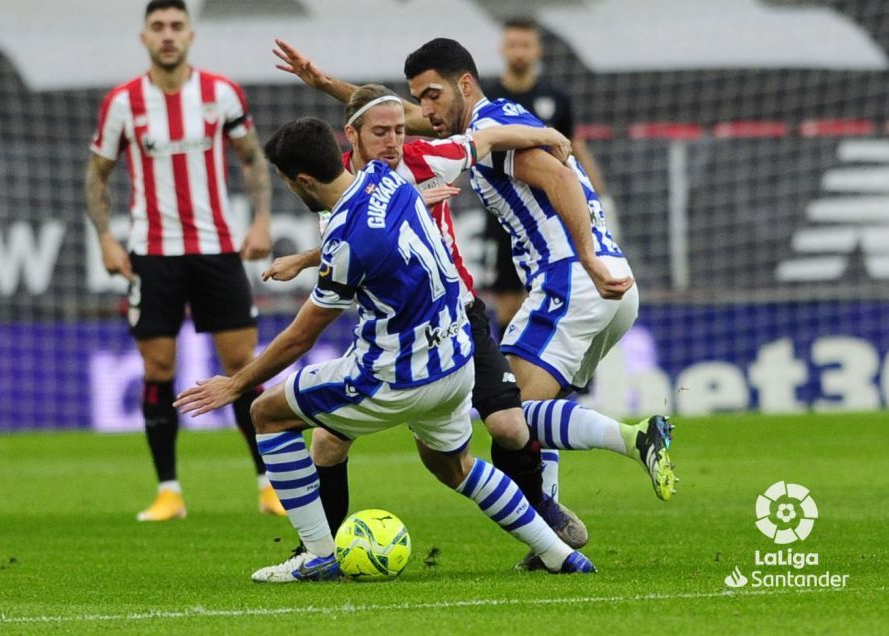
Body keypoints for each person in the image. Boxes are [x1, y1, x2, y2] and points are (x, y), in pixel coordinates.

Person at [174, 116, 596, 581]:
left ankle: (316, 554)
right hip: (456, 363)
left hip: (396, 375)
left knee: (267, 414)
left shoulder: (346, 240)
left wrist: (236, 383)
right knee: (454, 465)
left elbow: (301, 335)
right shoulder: (386, 178)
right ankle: (559, 553)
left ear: (303, 181)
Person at [260, 78, 588, 553]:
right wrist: (308, 258)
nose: (395, 141)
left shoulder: (422, 162)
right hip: (392, 333)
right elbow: (356, 247)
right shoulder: (341, 190)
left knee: (509, 428)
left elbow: (489, 137)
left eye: (399, 130)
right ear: (351, 137)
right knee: (329, 445)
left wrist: (546, 135)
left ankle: (543, 509)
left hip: (459, 317)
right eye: (382, 132)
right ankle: (319, 548)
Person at [401, 41, 676, 530]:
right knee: (534, 414)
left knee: (510, 412)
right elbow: (400, 119)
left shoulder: (490, 133)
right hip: (613, 286)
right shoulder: (501, 119)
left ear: (465, 84)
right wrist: (333, 88)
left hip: (573, 278)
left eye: (432, 95)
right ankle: (551, 534)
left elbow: (559, 179)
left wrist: (585, 258)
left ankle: (636, 438)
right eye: (418, 98)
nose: (425, 110)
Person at [84, 0, 281, 521]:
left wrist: (262, 220)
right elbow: (97, 174)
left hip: (217, 249)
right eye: (158, 27)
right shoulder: (123, 102)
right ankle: (169, 491)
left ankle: (269, 484)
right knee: (158, 367)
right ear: (144, 37)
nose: (168, 35)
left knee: (242, 365)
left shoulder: (220, 93)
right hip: (153, 255)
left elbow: (252, 158)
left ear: (190, 34)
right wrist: (106, 237)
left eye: (176, 26)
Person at [481, 16, 616, 332]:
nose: (519, 52)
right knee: (510, 308)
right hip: (506, 217)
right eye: (513, 44)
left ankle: (571, 381)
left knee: (562, 299)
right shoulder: (489, 100)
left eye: (526, 45)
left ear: (538, 50)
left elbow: (574, 147)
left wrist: (599, 193)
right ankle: (512, 379)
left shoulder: (557, 98)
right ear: (502, 48)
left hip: (554, 214)